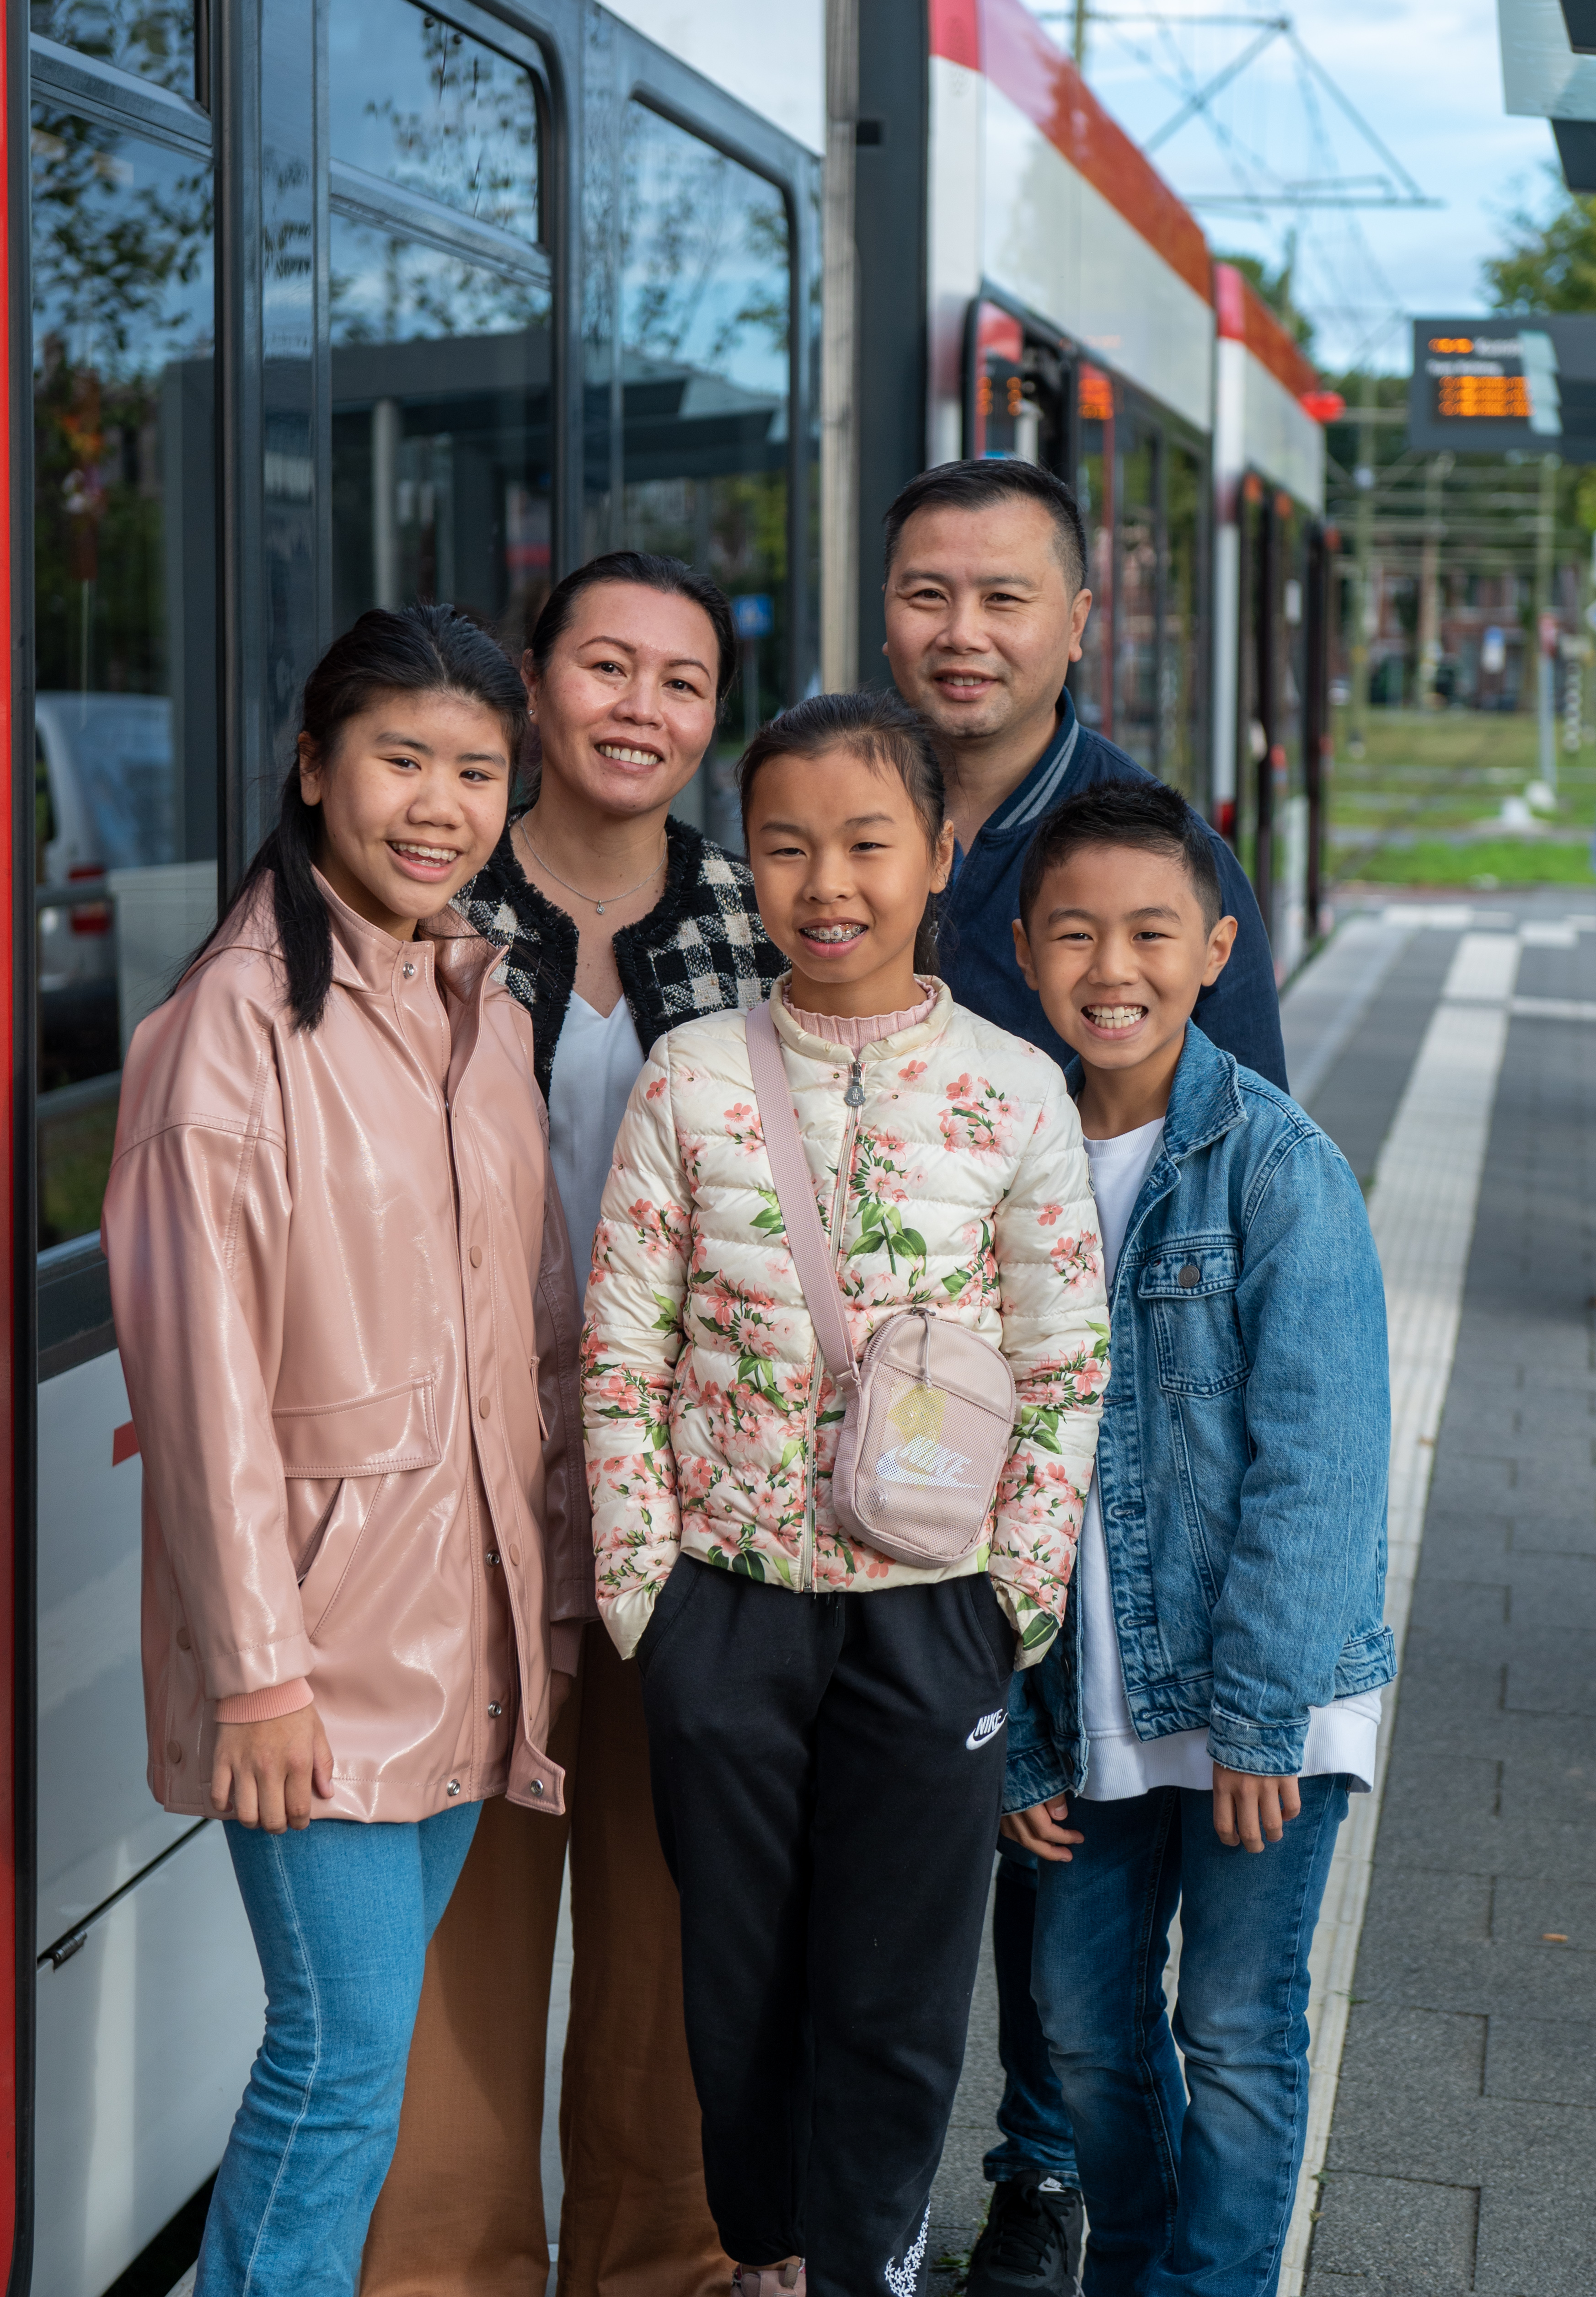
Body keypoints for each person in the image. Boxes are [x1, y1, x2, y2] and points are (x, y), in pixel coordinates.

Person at [581, 690, 1109, 2297]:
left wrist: (1008, 1605)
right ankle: (765, 2254)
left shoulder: (1014, 1087)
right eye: (787, 846)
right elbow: (621, 1346)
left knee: (896, 1985)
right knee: (737, 1973)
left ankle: (868, 2259)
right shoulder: (688, 1074)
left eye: (867, 844)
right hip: (723, 1613)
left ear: (938, 855)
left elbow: (1064, 1362)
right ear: (748, 864)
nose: (827, 885)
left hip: (931, 1617)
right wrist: (648, 1598)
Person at [101, 605, 590, 2295]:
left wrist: (553, 1606)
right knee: (337, 2063)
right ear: (314, 769)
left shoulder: (482, 1004)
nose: (440, 806)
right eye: (401, 761)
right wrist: (257, 1679)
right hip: (317, 1656)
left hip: (467, 1631)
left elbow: (529, 1333)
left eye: (478, 772)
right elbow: (201, 1396)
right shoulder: (228, 1029)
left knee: (350, 2065)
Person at [879, 455, 1289, 2296]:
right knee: (901, 1817)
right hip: (853, 1428)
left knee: (1057, 1829)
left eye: (1002, 596)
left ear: (1076, 620)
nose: (961, 633)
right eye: (927, 593)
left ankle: (1039, 2172)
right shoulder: (844, 797)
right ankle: (859, 2186)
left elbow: (1229, 1151)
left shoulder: (1145, 847)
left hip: (1077, 1430)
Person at [364, 551, 785, 2297]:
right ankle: (444, 2270)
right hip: (462, 1508)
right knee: (459, 1916)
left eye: (682, 682)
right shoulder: (424, 899)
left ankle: (660, 2263)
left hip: (693, 1511)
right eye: (606, 667)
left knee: (674, 1915)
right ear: (532, 685)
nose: (642, 709)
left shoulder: (762, 914)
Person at [1003, 779, 1393, 2297]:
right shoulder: (1009, 1156)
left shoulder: (1278, 1169)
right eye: (1075, 933)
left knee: (1231, 2029)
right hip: (1084, 1699)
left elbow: (1321, 1469)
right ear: (1025, 950)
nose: (1113, 968)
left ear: (1216, 949)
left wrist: (1257, 1720)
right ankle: (1139, 2268)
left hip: (1257, 1704)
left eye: (1151, 932)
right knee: (1080, 2027)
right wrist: (1019, 1734)